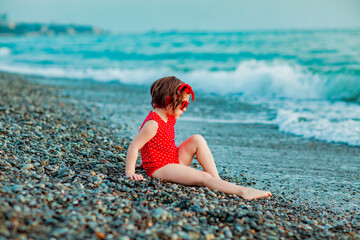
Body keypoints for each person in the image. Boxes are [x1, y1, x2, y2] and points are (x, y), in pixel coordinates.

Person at [125, 76, 271, 200]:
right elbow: (135, 146)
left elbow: (154, 145)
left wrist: (144, 161)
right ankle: (242, 191)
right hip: (160, 167)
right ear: (168, 101)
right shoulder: (153, 124)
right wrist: (131, 172)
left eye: (186, 104)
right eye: (183, 104)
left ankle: (217, 180)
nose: (185, 109)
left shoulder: (168, 117)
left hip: (172, 159)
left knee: (197, 139)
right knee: (203, 178)